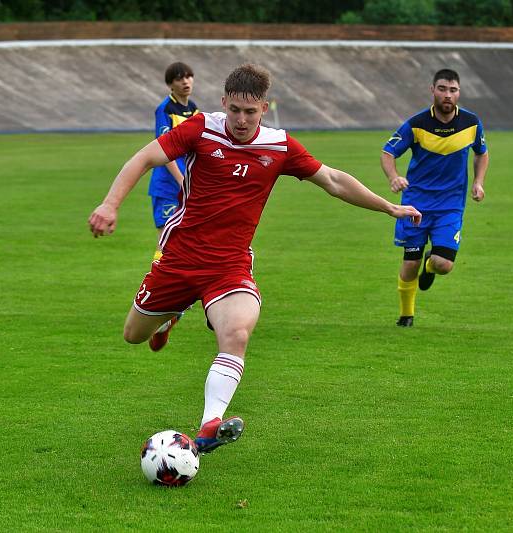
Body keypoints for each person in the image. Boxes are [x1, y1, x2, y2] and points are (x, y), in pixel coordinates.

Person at [88, 64, 421, 454]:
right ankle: (172, 313)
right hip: (180, 257)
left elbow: (332, 180)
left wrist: (388, 208)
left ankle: (209, 424)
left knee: (237, 334)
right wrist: (110, 205)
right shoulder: (200, 128)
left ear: (264, 108)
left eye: (251, 112)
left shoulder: (279, 146)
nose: (242, 120)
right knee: (134, 335)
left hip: (229, 265)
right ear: (224, 103)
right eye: (235, 111)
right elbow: (144, 158)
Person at [380, 69, 489, 327]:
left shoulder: (471, 123)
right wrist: (394, 177)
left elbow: (481, 152)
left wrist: (478, 182)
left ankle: (430, 265)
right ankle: (406, 315)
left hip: (450, 206)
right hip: (415, 205)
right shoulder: (416, 124)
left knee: (443, 265)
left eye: (453, 90)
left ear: (459, 93)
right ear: (433, 90)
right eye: (442, 89)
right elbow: (387, 153)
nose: (447, 95)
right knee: (409, 263)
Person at [150, 62, 199, 261]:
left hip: (187, 183)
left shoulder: (194, 108)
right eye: (179, 78)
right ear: (171, 84)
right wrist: (181, 180)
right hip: (168, 185)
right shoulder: (165, 109)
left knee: (188, 236)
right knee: (165, 237)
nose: (185, 81)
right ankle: (155, 279)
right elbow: (164, 150)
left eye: (188, 76)